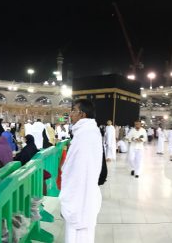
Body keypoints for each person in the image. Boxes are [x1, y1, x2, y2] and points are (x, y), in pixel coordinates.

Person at [59, 99, 103, 243]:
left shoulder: (85, 135)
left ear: (82, 114)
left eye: (73, 111)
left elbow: (78, 171)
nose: (70, 115)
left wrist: (63, 170)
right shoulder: (87, 131)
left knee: (77, 235)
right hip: (84, 195)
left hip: (80, 197)